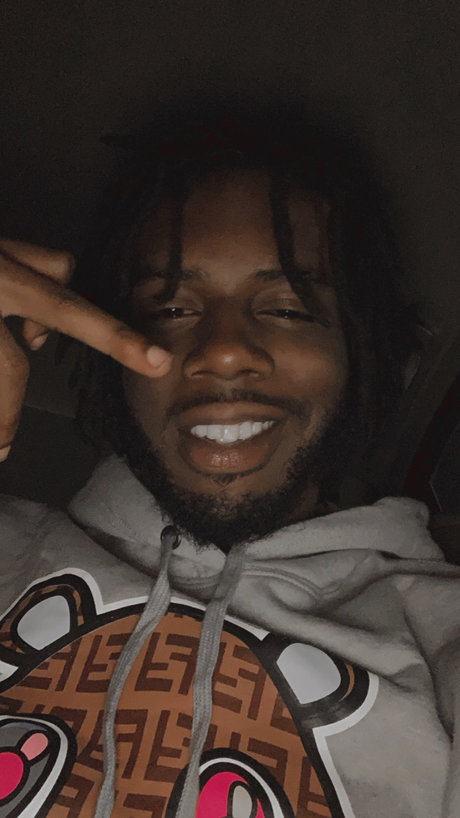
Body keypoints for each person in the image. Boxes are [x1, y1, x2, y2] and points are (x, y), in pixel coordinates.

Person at [0, 109, 458, 818]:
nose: (222, 350)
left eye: (288, 308)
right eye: (171, 308)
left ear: (360, 353)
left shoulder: (439, 631)